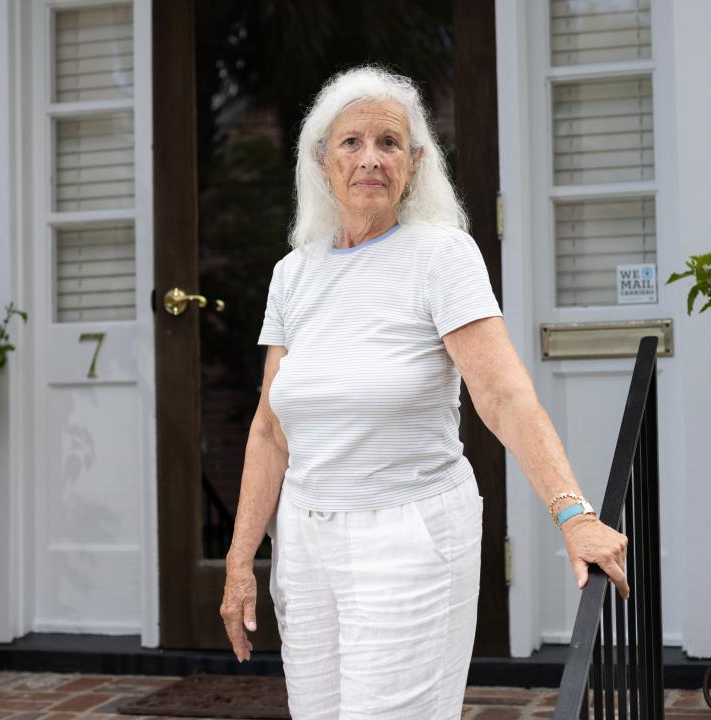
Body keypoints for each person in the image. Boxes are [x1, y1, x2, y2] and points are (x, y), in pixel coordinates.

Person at [220, 65, 629, 720]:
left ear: (413, 164)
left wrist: (571, 511)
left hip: (408, 538)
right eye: (351, 143)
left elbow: (504, 397)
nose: (370, 159)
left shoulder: (440, 256)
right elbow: (270, 430)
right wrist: (241, 561)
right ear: (321, 161)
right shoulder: (293, 275)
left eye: (389, 143)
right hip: (304, 541)